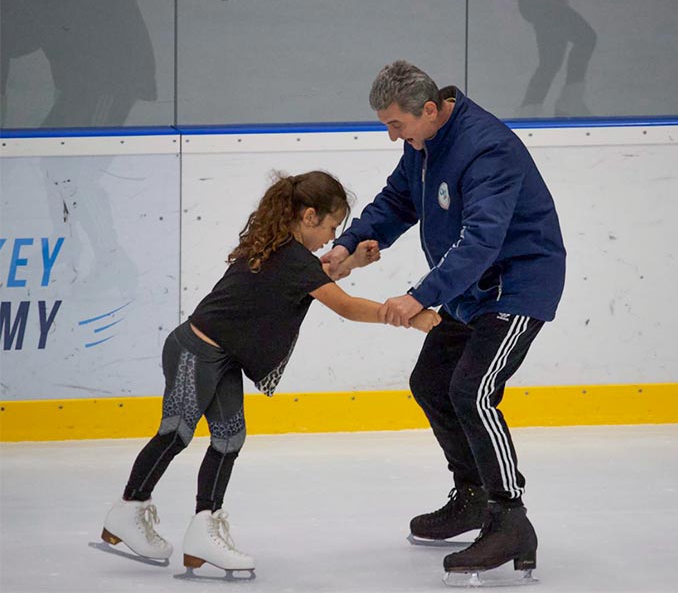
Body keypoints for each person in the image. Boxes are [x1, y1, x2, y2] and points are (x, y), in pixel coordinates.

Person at [97, 171, 440, 576]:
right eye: (331, 227)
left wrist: (354, 261)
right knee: (176, 433)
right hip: (194, 351)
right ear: (309, 216)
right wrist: (405, 316)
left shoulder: (280, 249)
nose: (332, 238)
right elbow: (343, 305)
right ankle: (128, 509)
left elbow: (309, 279)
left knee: (228, 439)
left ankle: (204, 530)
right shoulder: (293, 258)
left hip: (222, 357)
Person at [323, 62, 566, 578]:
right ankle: (473, 495)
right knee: (431, 381)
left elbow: (482, 240)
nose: (393, 136)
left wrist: (419, 296)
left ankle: (510, 518)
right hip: (470, 291)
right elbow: (396, 201)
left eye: (397, 125)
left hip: (516, 286)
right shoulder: (424, 145)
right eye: (386, 125)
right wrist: (349, 244)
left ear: (430, 110)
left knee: (472, 391)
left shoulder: (486, 148)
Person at [516, 0, 597, 117]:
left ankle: (531, 108)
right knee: (586, 39)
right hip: (544, 0)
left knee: (551, 62)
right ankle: (568, 102)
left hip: (543, 0)